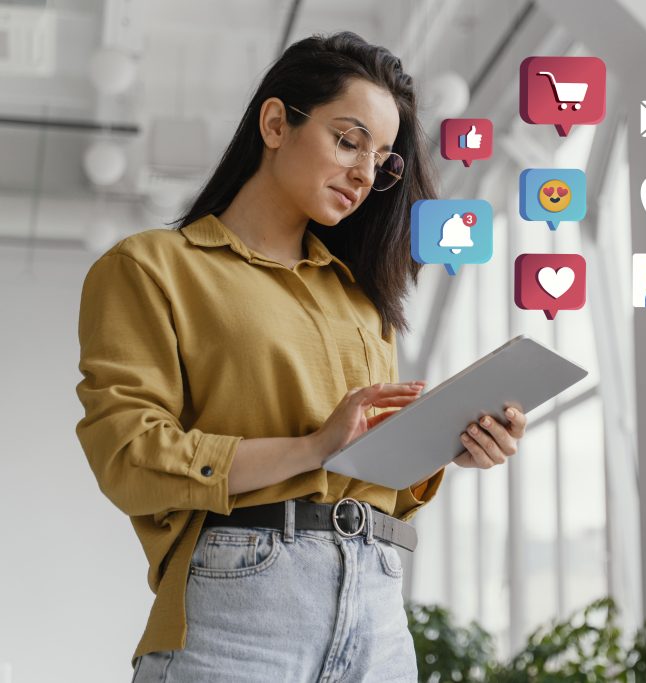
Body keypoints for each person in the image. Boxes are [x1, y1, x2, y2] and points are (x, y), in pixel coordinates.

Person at [74, 32, 527, 682]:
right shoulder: (150, 268)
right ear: (276, 122)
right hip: (239, 611)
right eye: (348, 141)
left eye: (383, 161)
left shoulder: (362, 300)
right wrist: (312, 446)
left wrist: (446, 444)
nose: (367, 174)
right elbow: (127, 456)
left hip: (378, 606)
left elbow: (370, 475)